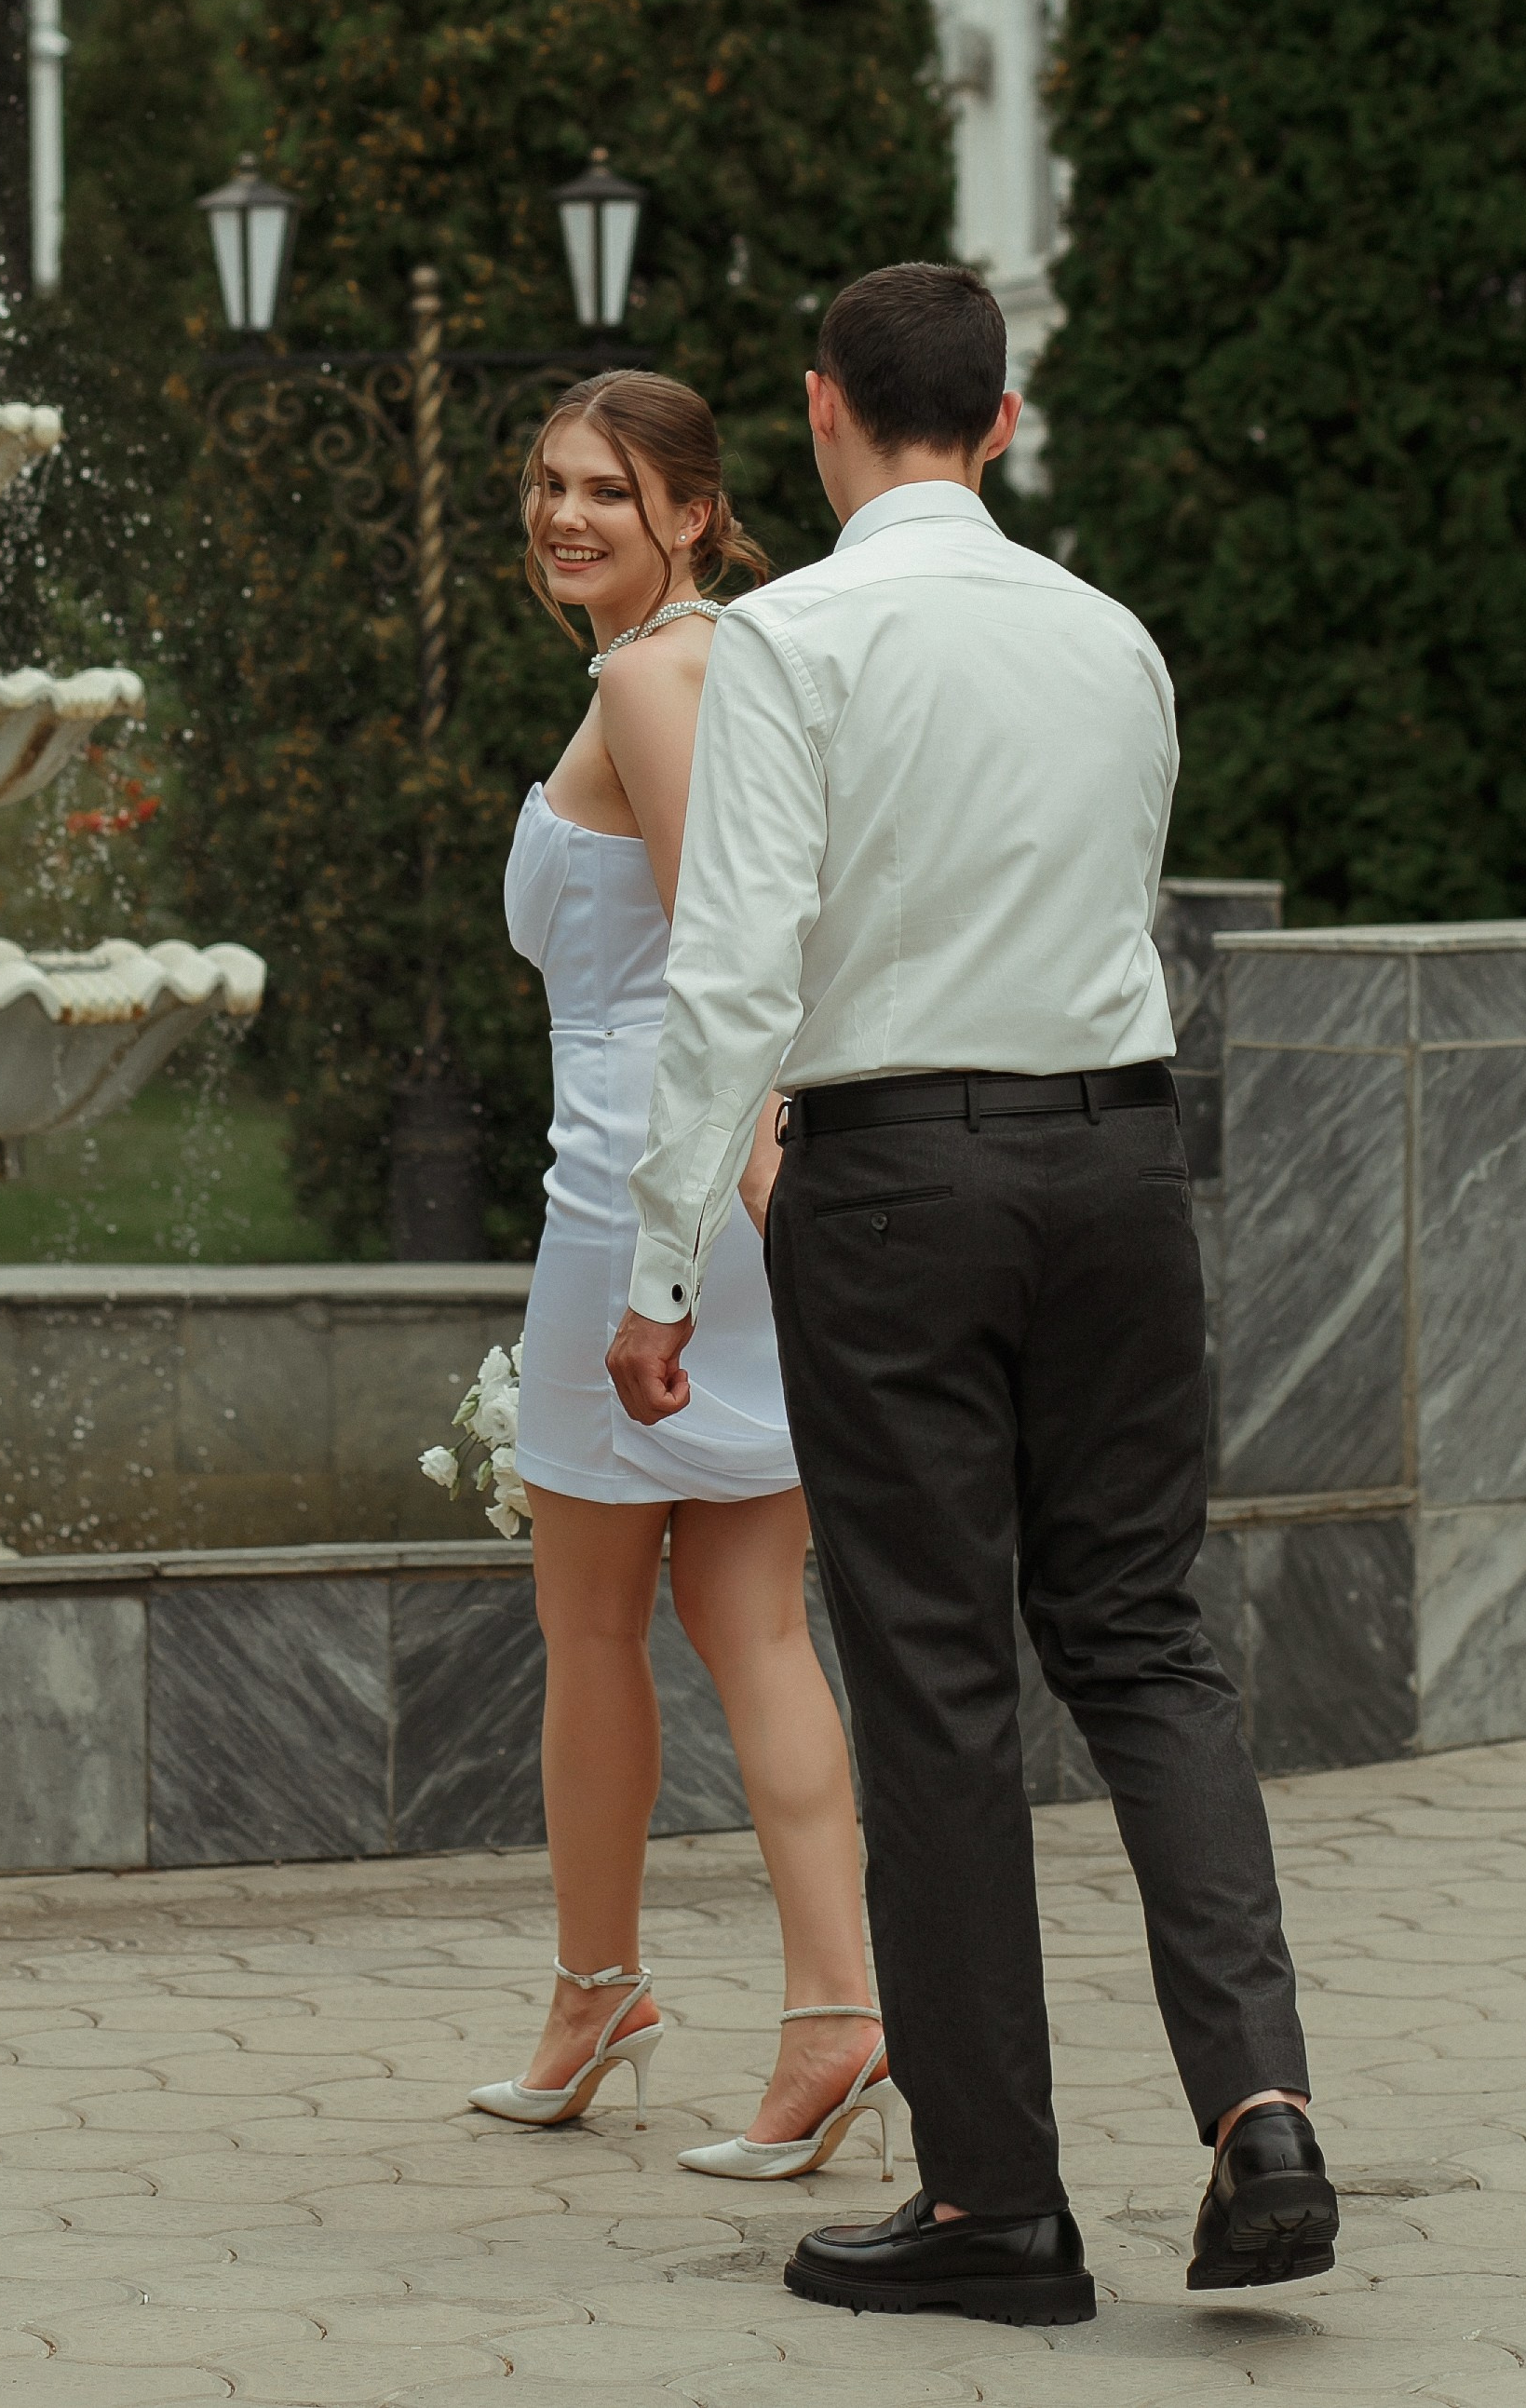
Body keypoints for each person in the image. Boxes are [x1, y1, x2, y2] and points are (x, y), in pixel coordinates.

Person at [607, 264, 1340, 2330]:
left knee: (931, 1673)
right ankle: (1260, 2108)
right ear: (999, 425)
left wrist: (661, 1269)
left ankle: (995, 2211)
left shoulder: (791, 636)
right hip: (1119, 1167)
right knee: (1142, 1639)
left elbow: (737, 971)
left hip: (898, 1178)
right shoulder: (1114, 639)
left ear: (825, 414)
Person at [467, 371, 893, 2185]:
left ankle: (598, 1995)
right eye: (555, 485)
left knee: (586, 1629)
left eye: (612, 494)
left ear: (694, 515)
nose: (570, 518)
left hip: (639, 1203)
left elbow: (740, 945)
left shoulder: (651, 675)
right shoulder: (743, 657)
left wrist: (728, 1194)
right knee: (752, 1625)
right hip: (718, 1192)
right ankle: (828, 2018)